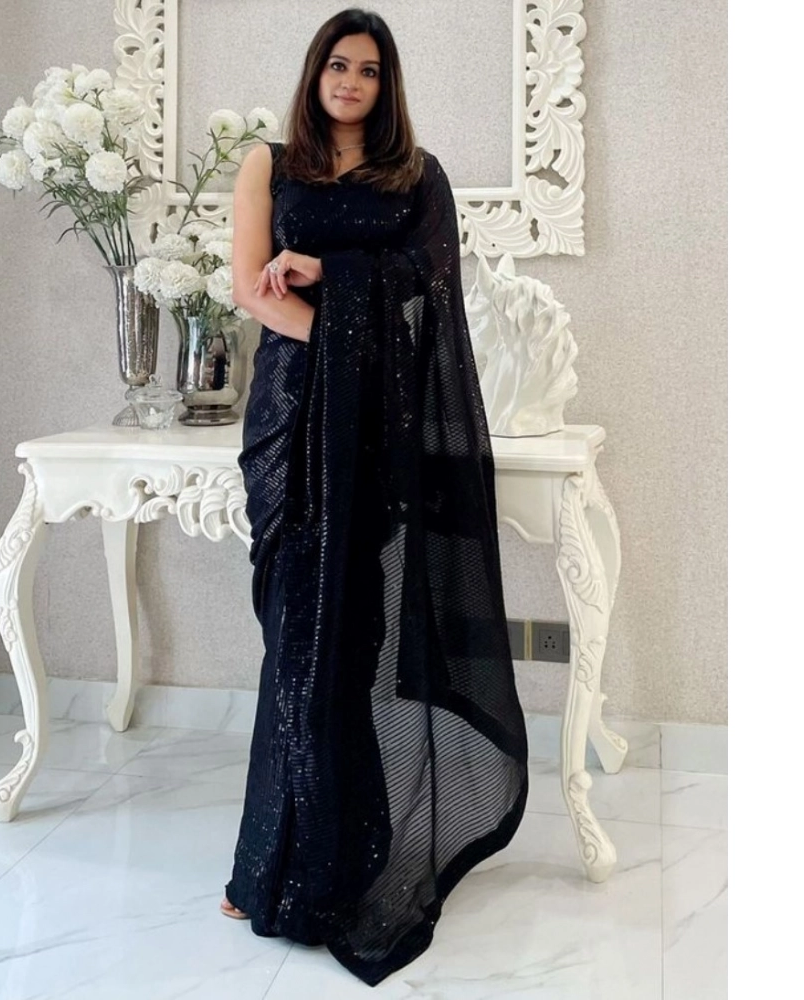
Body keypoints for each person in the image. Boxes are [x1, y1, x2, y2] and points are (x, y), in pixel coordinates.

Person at [222, 7, 529, 987]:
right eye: (337, 65)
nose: (350, 81)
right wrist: (344, 331)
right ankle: (270, 864)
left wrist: (328, 274)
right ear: (314, 74)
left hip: (377, 430)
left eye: (368, 69)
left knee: (351, 635)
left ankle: (345, 852)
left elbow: (432, 289)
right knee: (293, 629)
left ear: (386, 84)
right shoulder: (270, 166)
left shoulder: (414, 176)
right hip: (292, 418)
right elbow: (250, 290)